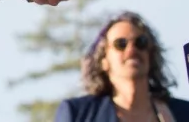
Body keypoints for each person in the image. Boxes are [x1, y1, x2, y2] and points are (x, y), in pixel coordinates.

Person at [56, 12, 189, 122]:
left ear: (151, 54)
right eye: (121, 44)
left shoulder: (183, 113)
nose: (132, 50)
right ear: (104, 61)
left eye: (140, 43)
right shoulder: (79, 113)